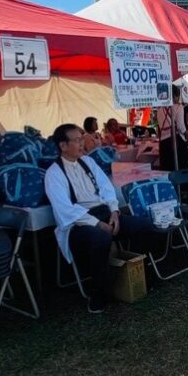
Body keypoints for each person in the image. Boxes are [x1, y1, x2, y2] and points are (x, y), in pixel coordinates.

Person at [45, 123, 156, 314]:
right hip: (78, 224)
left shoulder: (88, 162)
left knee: (143, 225)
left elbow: (106, 188)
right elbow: (66, 210)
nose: (82, 143)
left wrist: (114, 212)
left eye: (82, 139)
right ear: (63, 146)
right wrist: (97, 224)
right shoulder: (54, 174)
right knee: (100, 238)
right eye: (77, 140)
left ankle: (140, 275)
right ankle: (99, 293)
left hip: (104, 213)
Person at [156, 85, 188, 170]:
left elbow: (160, 127)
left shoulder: (159, 109)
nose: (178, 98)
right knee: (180, 169)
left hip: (163, 143)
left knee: (167, 169)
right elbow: (180, 126)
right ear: (173, 95)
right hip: (175, 142)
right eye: (177, 95)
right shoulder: (179, 107)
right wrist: (186, 134)